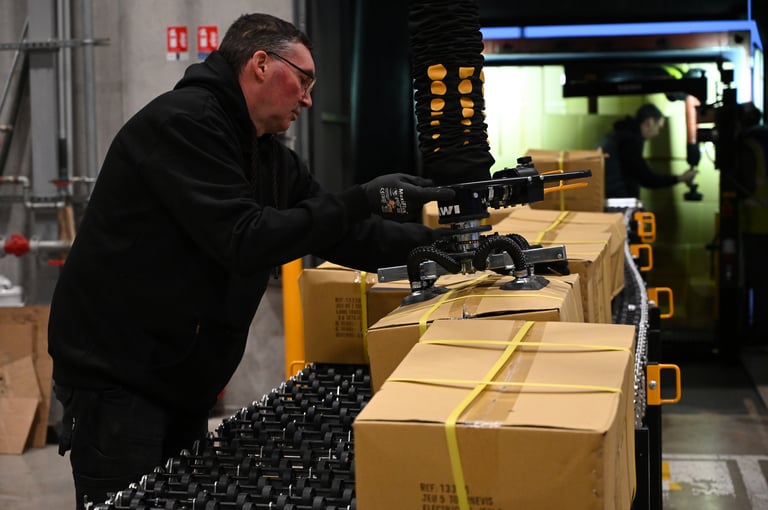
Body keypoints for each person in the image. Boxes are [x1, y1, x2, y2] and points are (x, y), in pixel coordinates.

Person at [47, 13, 453, 510]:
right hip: (118, 381)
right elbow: (243, 239)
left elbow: (342, 233)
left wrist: (436, 249)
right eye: (302, 80)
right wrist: (363, 197)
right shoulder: (185, 125)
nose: (307, 98)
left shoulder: (267, 157)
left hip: (178, 380)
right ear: (261, 64)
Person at [599, 103, 698, 198]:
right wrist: (680, 178)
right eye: (658, 127)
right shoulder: (629, 140)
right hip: (616, 201)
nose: (657, 133)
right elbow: (646, 178)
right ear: (649, 122)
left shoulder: (620, 134)